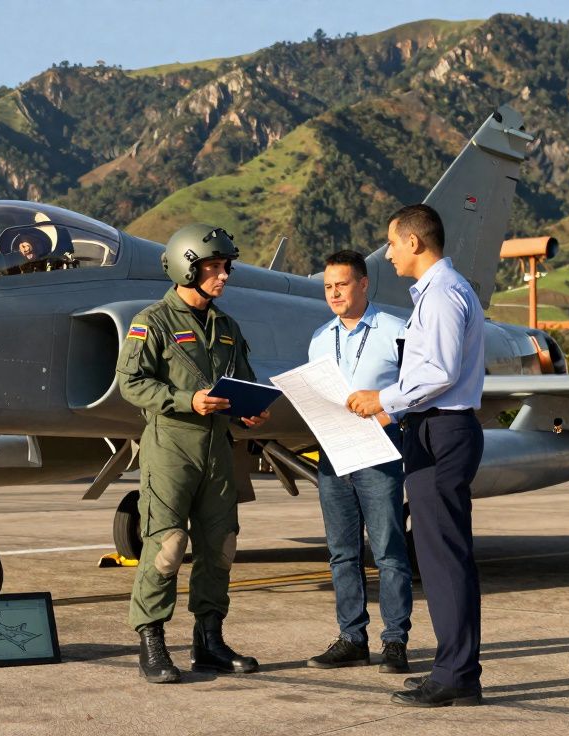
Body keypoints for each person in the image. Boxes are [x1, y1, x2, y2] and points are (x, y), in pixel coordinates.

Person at [117, 223, 270, 684]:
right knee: (166, 547)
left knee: (221, 546)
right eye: (213, 268)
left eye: (225, 267)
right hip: (171, 449)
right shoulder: (153, 322)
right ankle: (152, 642)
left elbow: (243, 378)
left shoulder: (227, 326)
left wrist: (250, 411)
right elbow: (132, 383)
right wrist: (189, 401)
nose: (223, 276)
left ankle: (210, 642)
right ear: (187, 268)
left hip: (218, 452)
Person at [347, 204, 485, 707]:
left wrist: (383, 399)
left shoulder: (444, 295)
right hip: (433, 427)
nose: (387, 252)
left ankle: (455, 675)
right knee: (441, 555)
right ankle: (457, 670)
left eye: (391, 242)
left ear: (415, 242)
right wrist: (395, 408)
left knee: (443, 557)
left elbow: (441, 371)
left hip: (443, 431)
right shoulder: (437, 293)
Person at [305, 250, 413, 674]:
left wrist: (390, 414)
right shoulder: (319, 338)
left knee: (388, 551)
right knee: (341, 553)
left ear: (364, 284)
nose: (334, 293)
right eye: (328, 286)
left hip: (378, 448)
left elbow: (414, 387)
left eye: (342, 284)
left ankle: (395, 641)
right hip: (333, 451)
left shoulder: (394, 330)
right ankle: (352, 637)